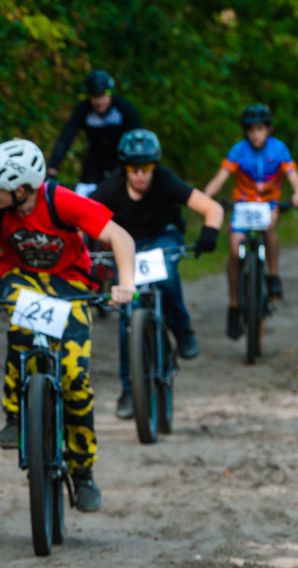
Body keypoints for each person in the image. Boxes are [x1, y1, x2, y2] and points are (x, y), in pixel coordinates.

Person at [0, 139, 136, 512]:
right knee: (21, 332)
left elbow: (119, 237)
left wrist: (125, 283)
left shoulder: (60, 200)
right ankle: (15, 415)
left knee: (76, 375)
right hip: (20, 279)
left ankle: (83, 470)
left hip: (71, 283)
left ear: (20, 189)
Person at [90, 129, 225, 419]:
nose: (140, 175)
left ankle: (182, 328)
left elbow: (211, 207)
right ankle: (129, 390)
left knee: (165, 276)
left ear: (155, 166)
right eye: (133, 168)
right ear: (124, 168)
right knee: (127, 314)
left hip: (164, 238)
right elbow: (82, 217)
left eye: (147, 168)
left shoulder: (165, 181)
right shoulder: (110, 188)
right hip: (128, 248)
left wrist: (209, 234)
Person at [202, 104, 298, 339]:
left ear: (268, 129)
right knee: (235, 246)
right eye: (250, 130)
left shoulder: (279, 149)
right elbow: (221, 178)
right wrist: (204, 197)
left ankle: (273, 275)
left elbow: (294, 177)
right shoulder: (238, 151)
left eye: (259, 129)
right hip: (243, 204)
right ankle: (234, 305)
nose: (255, 134)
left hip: (269, 204)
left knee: (270, 228)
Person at [48, 70, 143, 197]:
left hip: (120, 159)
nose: (99, 101)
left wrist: (137, 167)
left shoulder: (124, 109)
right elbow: (66, 138)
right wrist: (53, 167)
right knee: (85, 195)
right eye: (94, 96)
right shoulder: (83, 110)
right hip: (94, 160)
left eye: (103, 95)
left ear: (110, 93)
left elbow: (137, 138)